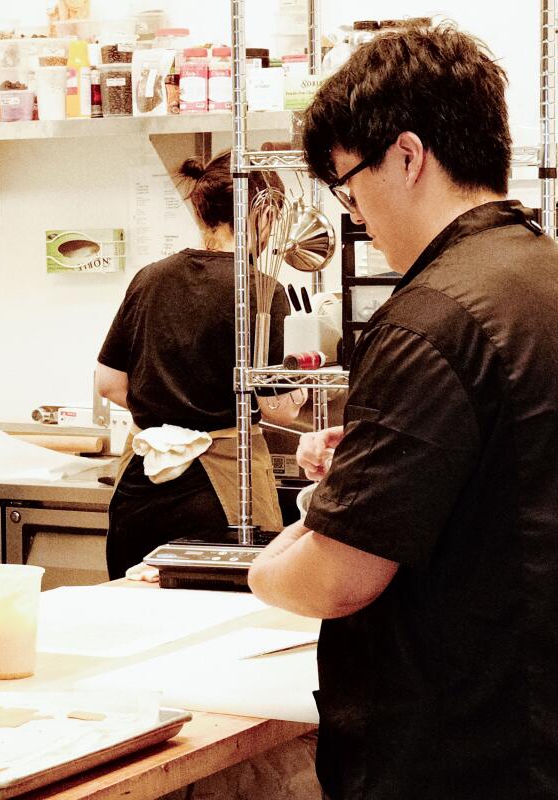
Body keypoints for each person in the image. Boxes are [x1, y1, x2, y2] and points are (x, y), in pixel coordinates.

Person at [248, 24, 558, 799]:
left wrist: (266, 568)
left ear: (408, 155)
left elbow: (337, 580)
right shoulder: (542, 278)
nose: (355, 215)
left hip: (461, 749)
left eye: (349, 187)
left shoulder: (428, 318)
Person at [95, 152, 305, 579]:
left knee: (135, 624)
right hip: (220, 494)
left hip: (140, 489)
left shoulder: (149, 277)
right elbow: (275, 409)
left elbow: (108, 383)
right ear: (263, 214)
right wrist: (298, 392)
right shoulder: (261, 291)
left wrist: (167, 411)